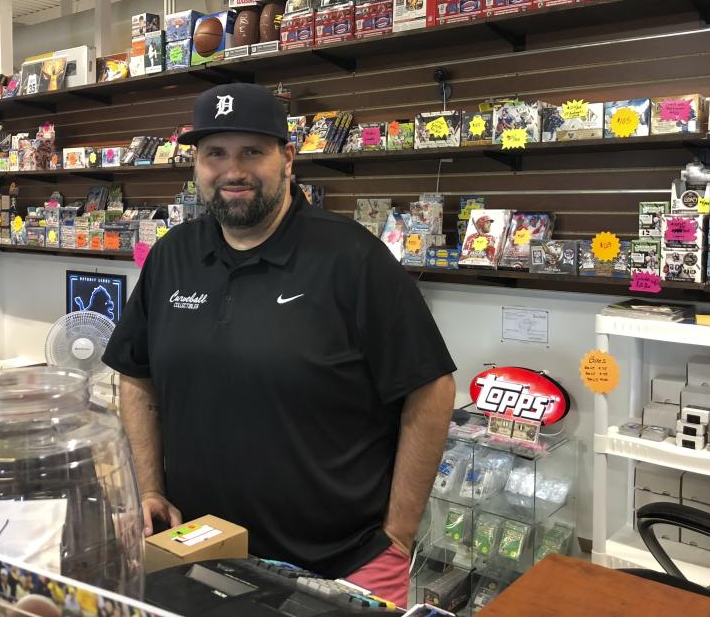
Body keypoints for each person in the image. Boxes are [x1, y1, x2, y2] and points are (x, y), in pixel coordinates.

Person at [103, 83, 456, 607]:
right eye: (215, 154)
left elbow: (431, 389)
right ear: (196, 164)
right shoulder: (171, 257)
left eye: (253, 151)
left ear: (288, 158)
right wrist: (151, 489)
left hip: (338, 565)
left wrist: (397, 537)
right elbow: (136, 375)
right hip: (198, 553)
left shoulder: (353, 259)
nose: (233, 171)